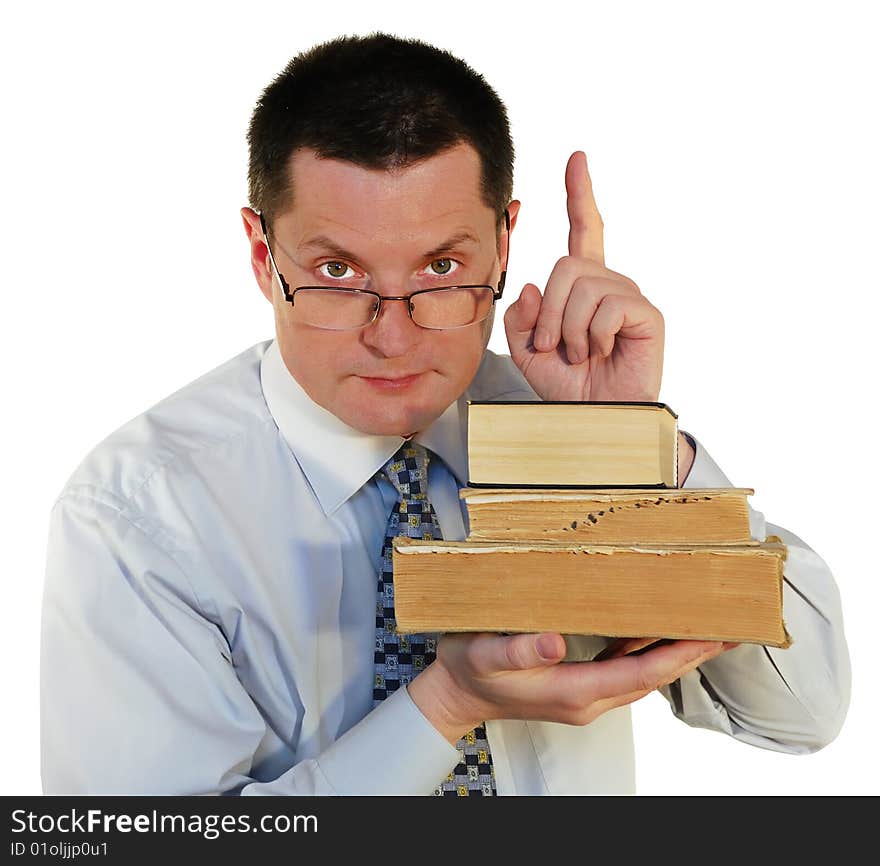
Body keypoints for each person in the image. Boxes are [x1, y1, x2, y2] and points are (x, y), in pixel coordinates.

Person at [40, 32, 850, 796]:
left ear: (504, 246)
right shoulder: (138, 514)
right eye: (336, 270)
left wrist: (636, 448)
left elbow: (802, 715)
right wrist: (446, 705)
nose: (393, 336)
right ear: (262, 257)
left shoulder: (573, 424)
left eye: (441, 266)